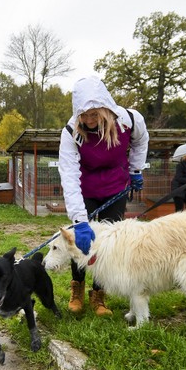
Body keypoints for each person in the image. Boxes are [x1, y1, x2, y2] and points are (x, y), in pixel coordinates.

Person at [58, 76, 149, 315]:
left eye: (94, 115)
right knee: (79, 239)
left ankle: (99, 295)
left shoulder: (129, 120)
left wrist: (136, 169)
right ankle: (77, 288)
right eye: (84, 115)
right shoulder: (71, 132)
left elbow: (141, 141)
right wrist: (79, 220)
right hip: (84, 188)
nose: (89, 121)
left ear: (106, 109)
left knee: (107, 242)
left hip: (115, 188)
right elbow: (69, 175)